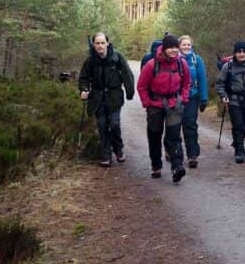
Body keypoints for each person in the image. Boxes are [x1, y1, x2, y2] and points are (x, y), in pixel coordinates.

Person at [136, 33, 191, 182]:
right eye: (171, 47)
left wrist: (184, 98)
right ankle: (156, 165)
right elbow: (141, 86)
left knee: (174, 136)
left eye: (176, 47)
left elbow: (187, 83)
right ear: (164, 48)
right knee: (154, 135)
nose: (174, 50)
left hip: (174, 103)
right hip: (155, 105)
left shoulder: (181, 63)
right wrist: (147, 102)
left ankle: (177, 166)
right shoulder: (152, 65)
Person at [78, 32, 135, 167]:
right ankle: (106, 155)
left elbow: (127, 74)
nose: (100, 46)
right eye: (97, 43)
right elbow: (83, 78)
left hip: (114, 96)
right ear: (93, 45)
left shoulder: (117, 57)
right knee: (102, 126)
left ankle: (118, 149)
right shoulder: (90, 60)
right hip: (97, 97)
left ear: (107, 43)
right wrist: (84, 89)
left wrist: (130, 92)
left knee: (114, 124)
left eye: (102, 43)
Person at [216, 41, 245, 163]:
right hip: (233, 100)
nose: (241, 54)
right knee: (238, 125)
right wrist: (223, 95)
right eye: (239, 52)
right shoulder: (227, 67)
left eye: (244, 51)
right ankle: (239, 150)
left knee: (244, 125)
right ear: (234, 53)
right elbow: (220, 83)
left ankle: (237, 141)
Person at [178, 35, 208, 168]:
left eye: (188, 45)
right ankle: (173, 152)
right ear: (179, 46)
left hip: (192, 97)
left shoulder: (197, 60)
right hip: (176, 97)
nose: (186, 47)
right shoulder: (174, 59)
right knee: (174, 126)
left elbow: (202, 80)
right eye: (184, 44)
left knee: (190, 124)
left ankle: (192, 155)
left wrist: (204, 98)